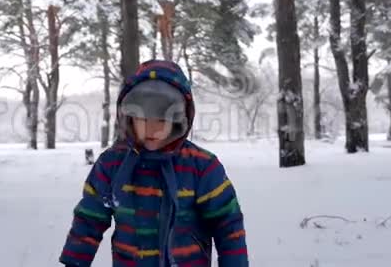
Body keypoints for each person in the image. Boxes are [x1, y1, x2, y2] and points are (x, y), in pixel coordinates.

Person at [60, 60, 249, 266]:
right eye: (142, 119)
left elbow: (228, 226)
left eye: (161, 120)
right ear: (129, 117)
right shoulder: (111, 165)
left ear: (178, 119)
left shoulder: (202, 167)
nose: (151, 129)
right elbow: (89, 220)